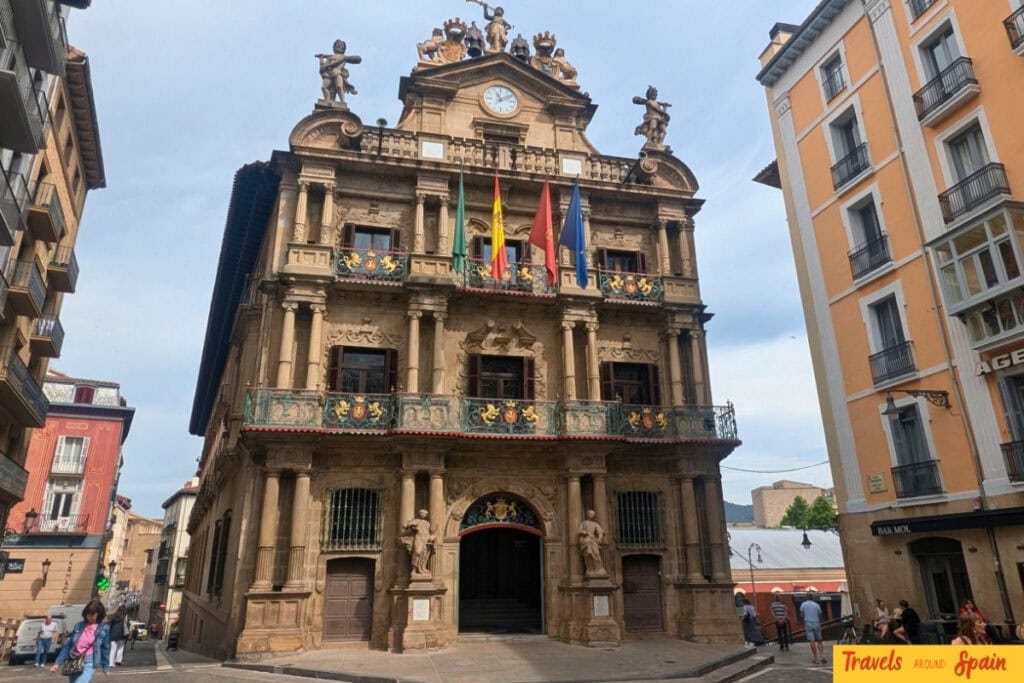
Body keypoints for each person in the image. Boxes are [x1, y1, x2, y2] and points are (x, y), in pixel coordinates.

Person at [52, 600, 111, 682]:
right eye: (88, 614)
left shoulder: (104, 628)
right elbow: (68, 645)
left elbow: (105, 648)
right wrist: (57, 662)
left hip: (89, 662)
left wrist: (106, 667)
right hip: (73, 659)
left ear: (99, 614)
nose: (90, 617)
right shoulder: (79, 626)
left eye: (93, 614)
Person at [800, 595, 826, 666]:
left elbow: (802, 615)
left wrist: (805, 618)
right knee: (819, 641)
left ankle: (816, 658)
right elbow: (820, 615)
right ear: (813, 598)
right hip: (816, 623)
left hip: (808, 623)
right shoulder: (817, 605)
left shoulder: (803, 604)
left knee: (812, 642)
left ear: (806, 598)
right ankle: (822, 656)